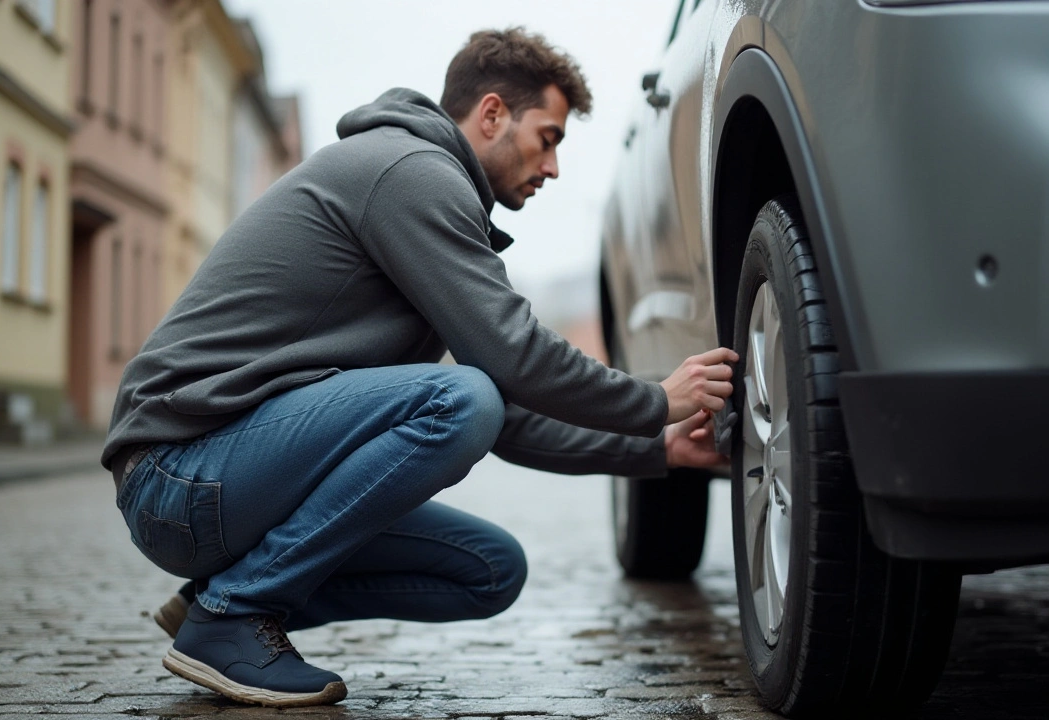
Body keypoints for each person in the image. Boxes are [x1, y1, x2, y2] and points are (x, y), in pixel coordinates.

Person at [103, 27, 736, 708]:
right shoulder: (410, 172)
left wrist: (656, 446)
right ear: (492, 113)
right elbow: (508, 359)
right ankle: (232, 616)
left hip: (225, 480)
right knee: (460, 397)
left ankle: (214, 603)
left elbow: (509, 416)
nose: (552, 167)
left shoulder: (426, 195)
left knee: (490, 570)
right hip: (177, 475)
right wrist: (655, 399)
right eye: (547, 138)